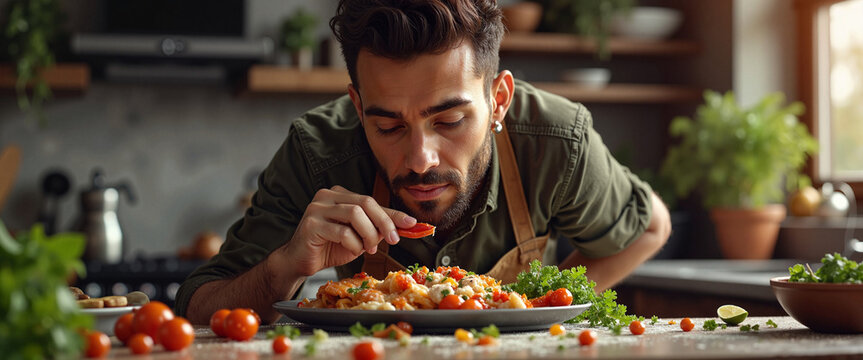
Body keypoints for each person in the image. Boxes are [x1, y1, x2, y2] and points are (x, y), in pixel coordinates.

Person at [176, 0, 671, 324]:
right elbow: (198, 310)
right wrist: (285, 267)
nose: (419, 160)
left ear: (498, 100)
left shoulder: (555, 140)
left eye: (450, 119)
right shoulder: (317, 152)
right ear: (356, 106)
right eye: (387, 127)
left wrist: (545, 309)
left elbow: (650, 227)